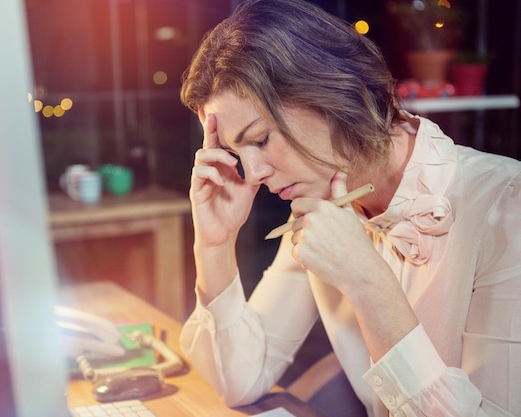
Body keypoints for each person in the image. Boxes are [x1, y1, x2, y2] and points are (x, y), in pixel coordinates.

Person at [177, 0, 521, 416]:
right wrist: (214, 245)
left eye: (261, 139)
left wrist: (365, 281)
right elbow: (240, 381)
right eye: (235, 151)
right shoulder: (321, 209)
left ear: (328, 90)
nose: (251, 174)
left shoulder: (506, 204)